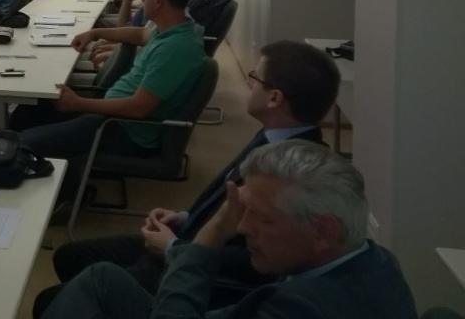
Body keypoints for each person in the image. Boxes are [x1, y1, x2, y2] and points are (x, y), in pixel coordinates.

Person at [36, 40, 342, 315]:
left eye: (255, 78)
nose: (249, 84)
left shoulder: (295, 174)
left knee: (49, 300)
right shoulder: (274, 135)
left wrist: (174, 249)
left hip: (192, 274)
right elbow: (226, 195)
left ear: (274, 98)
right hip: (185, 238)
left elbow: (255, 266)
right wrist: (184, 216)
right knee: (68, 257)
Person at [42, 140, 418, 319]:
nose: (242, 226)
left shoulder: (301, 309)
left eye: (262, 217)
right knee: (102, 278)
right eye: (242, 211)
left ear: (323, 230)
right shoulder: (377, 261)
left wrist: (210, 235)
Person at [9, 0, 205, 159]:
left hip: (122, 129)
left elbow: (138, 108)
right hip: (111, 113)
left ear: (158, 1)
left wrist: (78, 103)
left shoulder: (175, 48)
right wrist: (95, 33)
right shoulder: (170, 29)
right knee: (27, 113)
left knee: (24, 143)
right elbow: (140, 34)